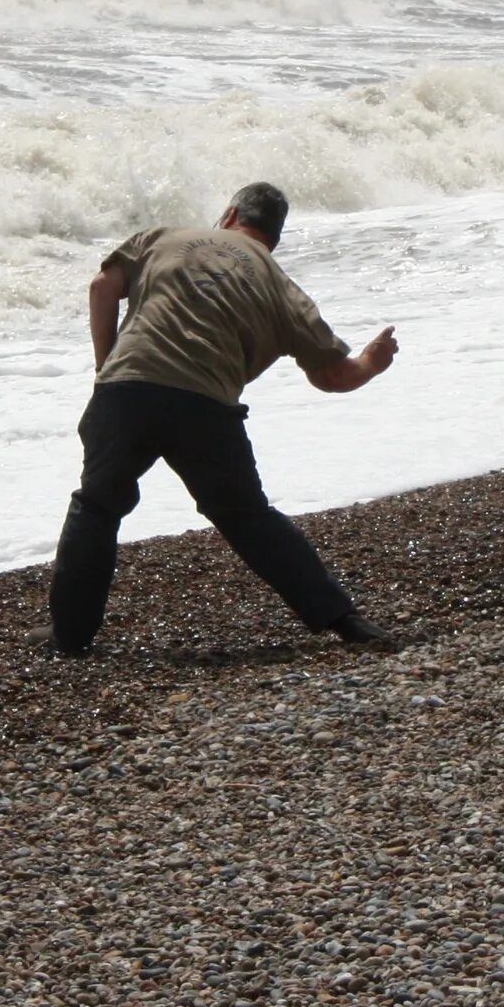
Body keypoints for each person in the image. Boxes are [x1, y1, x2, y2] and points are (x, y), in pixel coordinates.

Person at [49, 181, 400, 656]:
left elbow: (102, 287)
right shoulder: (280, 286)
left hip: (125, 389)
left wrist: (105, 367)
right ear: (273, 238)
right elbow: (333, 376)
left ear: (230, 214)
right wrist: (371, 364)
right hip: (205, 405)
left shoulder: (162, 237)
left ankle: (69, 638)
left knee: (97, 505)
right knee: (246, 516)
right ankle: (343, 619)